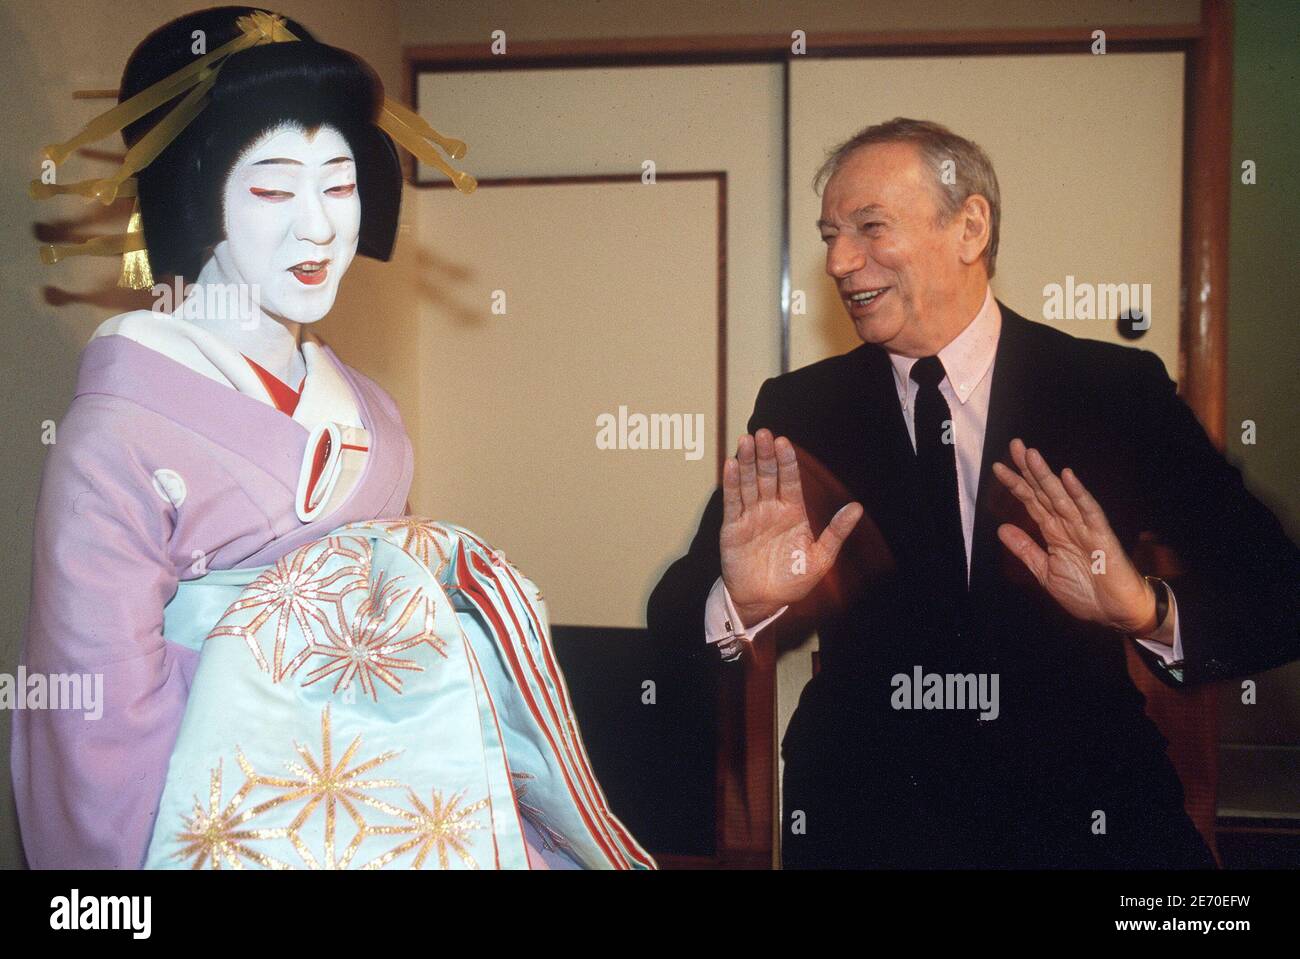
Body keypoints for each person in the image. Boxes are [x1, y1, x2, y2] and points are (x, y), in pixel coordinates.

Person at [15, 6, 651, 871]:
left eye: (341, 182)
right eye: (273, 187)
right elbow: (92, 736)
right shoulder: (118, 435)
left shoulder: (368, 411)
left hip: (402, 806)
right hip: (227, 829)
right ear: (195, 194)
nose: (318, 226)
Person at [648, 117, 1300, 869]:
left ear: (969, 227)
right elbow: (673, 623)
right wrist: (741, 603)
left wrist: (1145, 609)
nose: (837, 260)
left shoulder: (1113, 391)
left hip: (1086, 814)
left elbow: (1278, 590)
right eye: (829, 233)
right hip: (869, 819)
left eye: (869, 227)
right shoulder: (802, 410)